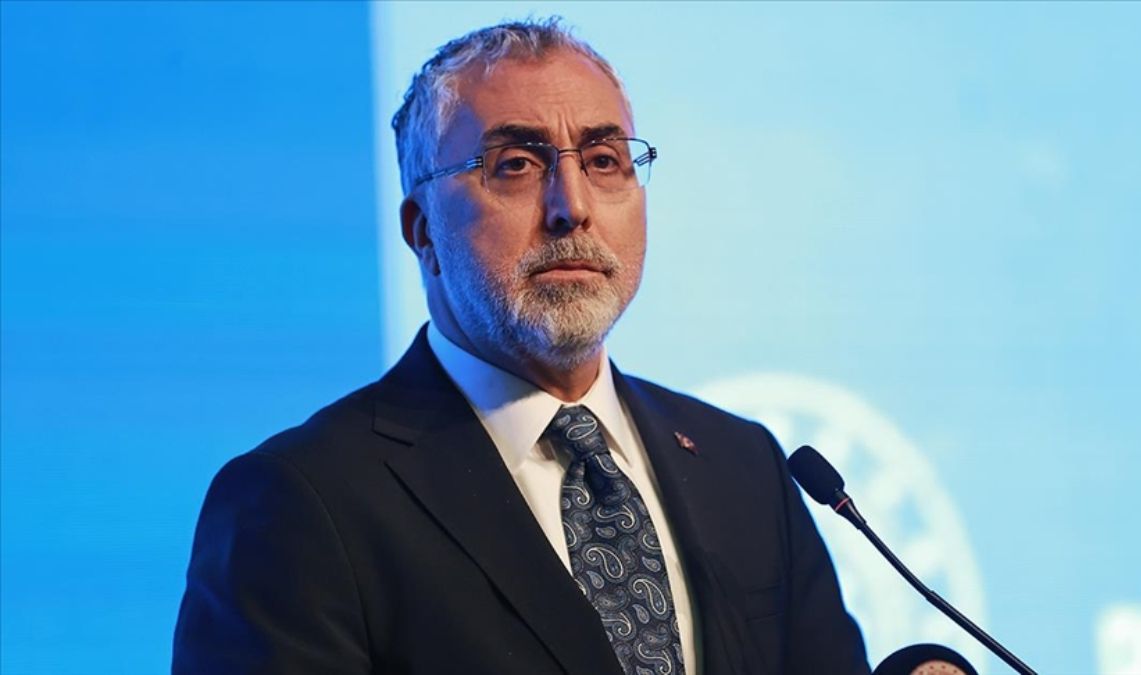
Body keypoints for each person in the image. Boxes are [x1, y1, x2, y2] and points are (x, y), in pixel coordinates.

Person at [173, 17, 870, 675]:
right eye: (515, 165)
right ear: (422, 230)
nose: (572, 206)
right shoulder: (300, 501)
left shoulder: (742, 464)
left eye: (604, 160)